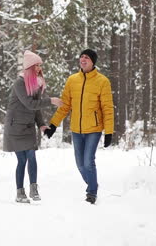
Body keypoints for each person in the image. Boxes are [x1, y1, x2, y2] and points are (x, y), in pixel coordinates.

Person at [44, 48, 114, 204]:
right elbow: (64, 105)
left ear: (93, 61)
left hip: (94, 130)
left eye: (87, 57)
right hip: (76, 129)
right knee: (80, 165)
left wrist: (109, 132)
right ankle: (93, 184)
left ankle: (92, 193)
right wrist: (53, 125)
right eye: (81, 57)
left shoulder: (102, 81)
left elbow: (107, 108)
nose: (83, 59)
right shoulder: (72, 80)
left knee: (89, 161)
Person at [3, 50, 63, 203]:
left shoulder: (36, 84)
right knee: (22, 160)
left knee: (32, 156)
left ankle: (33, 188)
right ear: (29, 67)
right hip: (15, 126)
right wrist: (50, 101)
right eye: (36, 65)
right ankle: (19, 193)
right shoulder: (19, 83)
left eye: (40, 65)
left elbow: (35, 108)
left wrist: (42, 124)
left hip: (29, 127)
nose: (39, 68)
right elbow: (30, 104)